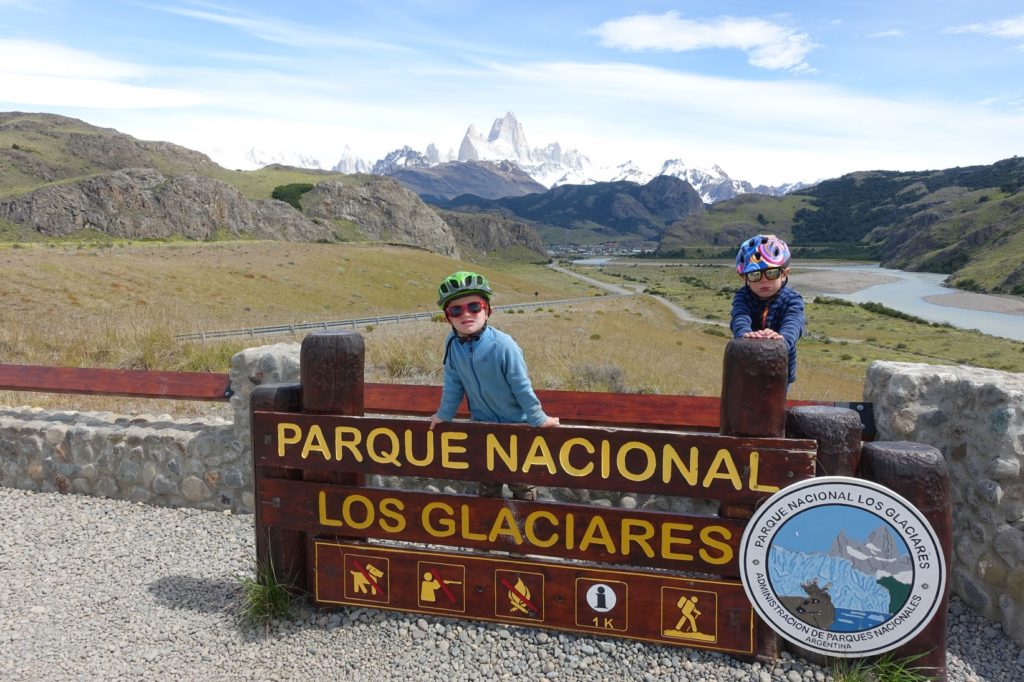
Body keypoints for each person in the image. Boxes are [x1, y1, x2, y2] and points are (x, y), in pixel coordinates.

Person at [428, 270, 558, 500]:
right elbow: (453, 383)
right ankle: (490, 522)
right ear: (448, 317)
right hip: (482, 427)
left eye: (474, 307)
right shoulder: (452, 344)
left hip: (516, 428)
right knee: (487, 485)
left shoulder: (503, 345)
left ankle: (525, 522)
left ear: (488, 310)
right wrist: (444, 415)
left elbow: (521, 386)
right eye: (456, 310)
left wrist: (538, 418)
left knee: (522, 485)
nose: (466, 314)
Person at [730, 235, 805, 386]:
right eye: (754, 274)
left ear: (784, 274)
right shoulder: (743, 296)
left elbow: (794, 322)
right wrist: (744, 333)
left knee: (776, 401)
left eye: (771, 273)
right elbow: (739, 316)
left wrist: (783, 340)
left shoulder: (793, 299)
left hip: (780, 370)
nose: (763, 280)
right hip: (747, 366)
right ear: (745, 278)